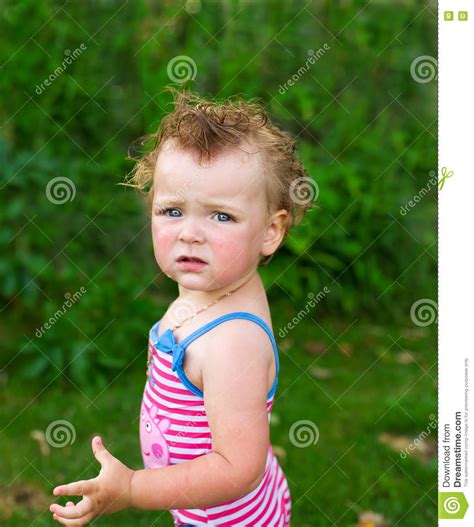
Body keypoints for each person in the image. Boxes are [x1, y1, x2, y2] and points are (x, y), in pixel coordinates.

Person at [49, 88, 315, 526]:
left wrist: (134, 488)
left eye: (221, 216)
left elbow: (238, 467)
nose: (190, 233)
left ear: (270, 232)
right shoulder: (214, 286)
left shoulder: (232, 342)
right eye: (172, 210)